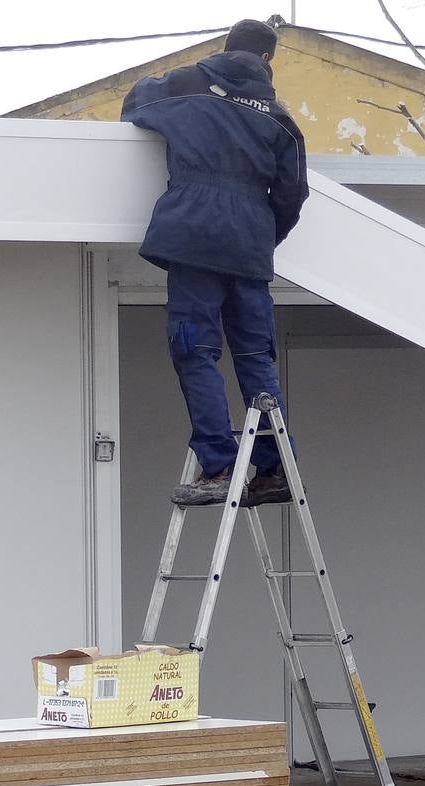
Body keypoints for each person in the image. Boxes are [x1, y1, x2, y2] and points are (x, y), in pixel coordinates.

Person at [122, 19, 309, 507]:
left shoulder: (184, 85)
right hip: (249, 248)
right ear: (269, 60)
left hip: (194, 235)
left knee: (195, 348)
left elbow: (135, 104)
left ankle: (221, 466)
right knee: (254, 356)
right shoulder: (278, 115)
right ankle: (274, 469)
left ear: (226, 48)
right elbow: (293, 193)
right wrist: (263, 235)